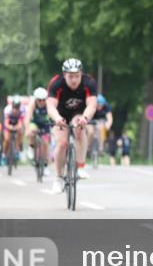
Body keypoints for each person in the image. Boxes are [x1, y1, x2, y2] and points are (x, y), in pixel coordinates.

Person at [46, 58, 98, 186]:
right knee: (62, 143)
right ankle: (58, 178)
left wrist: (85, 118)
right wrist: (57, 118)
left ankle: (80, 166)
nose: (74, 80)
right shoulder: (56, 83)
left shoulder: (89, 82)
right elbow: (50, 106)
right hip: (59, 114)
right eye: (70, 77)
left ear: (81, 74)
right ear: (64, 75)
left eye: (77, 76)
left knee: (79, 129)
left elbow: (91, 105)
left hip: (78, 113)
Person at [25, 87, 52, 175]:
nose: (41, 102)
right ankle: (31, 147)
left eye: (43, 100)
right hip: (35, 123)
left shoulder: (48, 104)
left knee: (46, 143)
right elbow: (27, 117)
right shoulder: (32, 104)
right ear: (36, 99)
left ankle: (45, 165)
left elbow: (53, 116)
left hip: (45, 124)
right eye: (39, 100)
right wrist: (27, 129)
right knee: (32, 131)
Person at [89, 94, 114, 164]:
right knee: (90, 131)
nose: (99, 107)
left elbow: (110, 118)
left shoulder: (106, 107)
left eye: (101, 105)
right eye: (98, 105)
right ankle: (88, 145)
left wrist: (108, 125)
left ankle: (101, 148)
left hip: (101, 121)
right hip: (91, 120)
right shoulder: (92, 106)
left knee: (101, 129)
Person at [2, 97, 25, 166]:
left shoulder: (22, 110)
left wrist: (17, 127)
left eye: (17, 107)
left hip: (17, 124)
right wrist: (10, 127)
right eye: (15, 107)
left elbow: (20, 123)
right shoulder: (7, 110)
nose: (16, 109)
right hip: (9, 125)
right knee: (6, 139)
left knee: (20, 132)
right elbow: (6, 123)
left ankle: (19, 149)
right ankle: (4, 154)